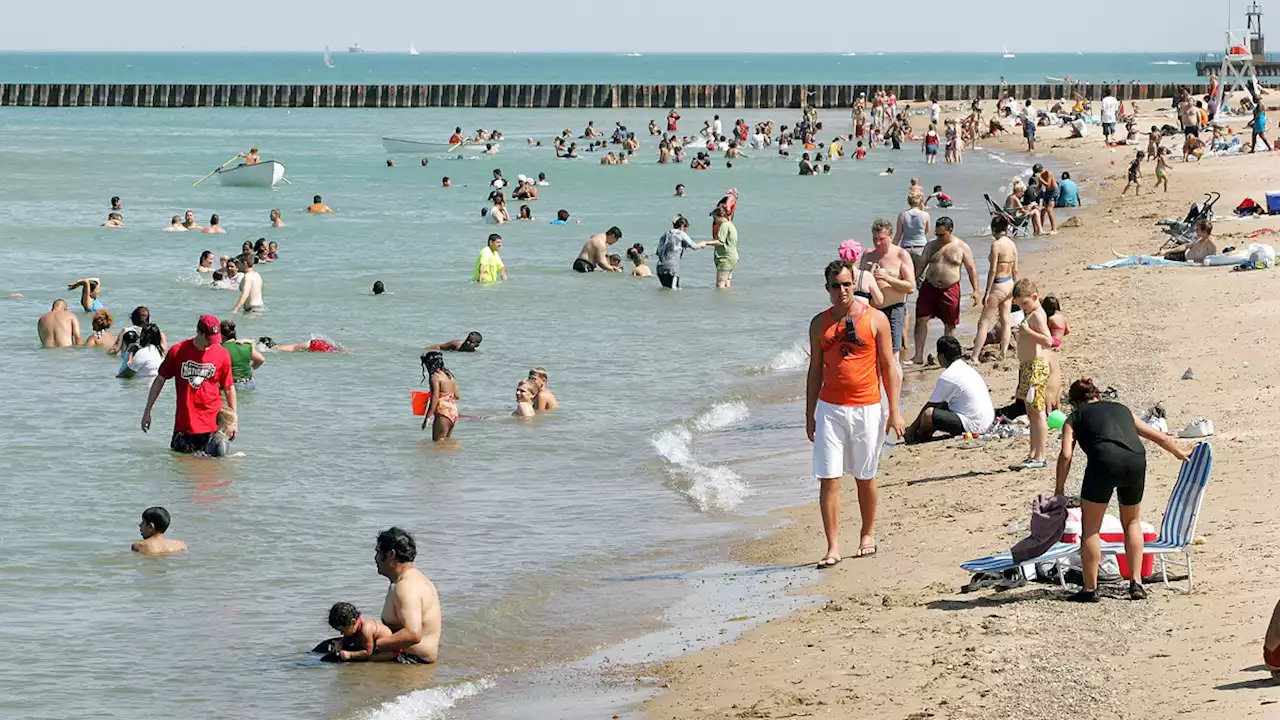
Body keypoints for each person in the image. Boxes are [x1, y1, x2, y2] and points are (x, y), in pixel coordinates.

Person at [1056, 378, 1193, 602]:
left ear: (1074, 403)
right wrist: (1179, 452)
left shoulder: (1074, 418)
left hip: (1103, 463)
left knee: (1090, 528)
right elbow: (1157, 436)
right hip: (1135, 460)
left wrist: (1059, 489)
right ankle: (1136, 583)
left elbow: (1066, 455)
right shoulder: (1122, 409)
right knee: (1131, 522)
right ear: (1098, 395)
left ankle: (1090, 589)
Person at [806, 260, 905, 568]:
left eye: (847, 284)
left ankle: (867, 534)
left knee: (865, 476)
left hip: (867, 407)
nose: (842, 291)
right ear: (827, 289)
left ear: (854, 285)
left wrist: (895, 412)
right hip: (830, 409)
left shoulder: (875, 320)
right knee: (829, 478)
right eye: (835, 286)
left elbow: (889, 366)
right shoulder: (819, 323)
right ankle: (833, 546)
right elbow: (814, 370)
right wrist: (809, 414)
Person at [141, 315, 236, 454]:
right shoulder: (178, 351)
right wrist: (147, 411)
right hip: (185, 425)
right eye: (208, 338)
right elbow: (160, 380)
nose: (212, 343)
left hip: (213, 425)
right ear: (199, 332)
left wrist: (233, 422)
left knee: (211, 471)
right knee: (182, 468)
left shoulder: (222, 354)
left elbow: (229, 388)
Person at [911, 218, 979, 366]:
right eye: (937, 234)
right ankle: (918, 356)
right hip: (929, 286)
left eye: (942, 235)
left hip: (950, 289)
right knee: (921, 320)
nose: (939, 238)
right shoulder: (931, 246)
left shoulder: (961, 247)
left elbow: (971, 269)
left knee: (950, 324)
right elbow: (921, 265)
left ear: (950, 231)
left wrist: (976, 290)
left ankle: (947, 358)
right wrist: (911, 282)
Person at [905, 336, 995, 443]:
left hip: (974, 426)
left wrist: (912, 428)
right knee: (942, 405)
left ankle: (919, 437)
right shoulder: (966, 368)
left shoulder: (949, 375)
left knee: (928, 414)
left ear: (941, 357)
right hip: (988, 421)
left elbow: (930, 405)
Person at [371, 527, 441, 663]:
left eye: (378, 552)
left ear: (391, 555)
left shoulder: (405, 587)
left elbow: (413, 634)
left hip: (412, 662)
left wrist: (372, 646)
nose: (375, 558)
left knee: (335, 659)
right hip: (409, 659)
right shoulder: (413, 579)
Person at [1009, 279, 1054, 470]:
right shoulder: (1030, 314)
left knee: (1037, 411)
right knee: (1031, 412)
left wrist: (1027, 330)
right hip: (1028, 365)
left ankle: (1040, 456)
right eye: (1019, 304)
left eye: (1024, 303)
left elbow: (1048, 341)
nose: (1022, 307)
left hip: (1037, 366)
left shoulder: (1037, 315)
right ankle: (1033, 454)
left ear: (1034, 297)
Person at [860, 219, 916, 357]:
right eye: (875, 239)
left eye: (882, 239)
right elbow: (859, 285)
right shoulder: (868, 255)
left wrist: (887, 278)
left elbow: (911, 287)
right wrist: (867, 275)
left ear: (891, 237)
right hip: (872, 310)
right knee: (872, 353)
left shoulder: (900, 254)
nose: (878, 243)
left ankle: (895, 378)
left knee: (892, 354)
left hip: (894, 308)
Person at [970, 215, 1019, 363]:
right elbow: (1015, 269)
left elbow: (992, 270)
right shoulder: (1012, 244)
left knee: (983, 322)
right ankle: (1003, 354)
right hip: (1009, 283)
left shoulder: (996, 245)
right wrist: (1016, 287)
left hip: (998, 284)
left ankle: (974, 356)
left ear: (993, 229)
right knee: (1006, 321)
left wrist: (986, 292)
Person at [326, 602, 395, 662]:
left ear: (353, 622)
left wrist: (350, 655)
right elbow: (347, 638)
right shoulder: (353, 627)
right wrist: (340, 643)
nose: (341, 633)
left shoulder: (365, 630)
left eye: (342, 631)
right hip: (372, 646)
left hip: (389, 651)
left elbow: (368, 652)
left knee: (367, 659)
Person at [654, 216, 705, 289]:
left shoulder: (665, 234)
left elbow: (658, 252)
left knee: (666, 290)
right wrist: (703, 243)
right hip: (672, 268)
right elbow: (694, 246)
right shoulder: (680, 233)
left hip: (660, 267)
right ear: (682, 226)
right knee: (674, 291)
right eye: (686, 228)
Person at [420, 351, 459, 441]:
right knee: (446, 442)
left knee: (438, 443)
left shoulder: (435, 377)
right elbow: (457, 395)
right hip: (453, 411)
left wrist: (427, 418)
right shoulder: (449, 375)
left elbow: (435, 398)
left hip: (443, 412)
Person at [220, 319, 265, 391]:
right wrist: (251, 367)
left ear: (222, 336)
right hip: (250, 382)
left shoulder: (221, 348)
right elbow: (261, 359)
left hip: (233, 384)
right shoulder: (245, 345)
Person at [894, 189, 930, 275]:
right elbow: (926, 231)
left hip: (906, 248)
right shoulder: (925, 215)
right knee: (921, 276)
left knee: (906, 276)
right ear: (921, 201)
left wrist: (891, 248)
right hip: (920, 248)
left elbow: (898, 235)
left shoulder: (902, 215)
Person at [703, 207, 739, 288]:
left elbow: (720, 242)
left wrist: (705, 243)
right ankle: (726, 300)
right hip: (732, 258)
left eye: (715, 218)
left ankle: (720, 300)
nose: (714, 221)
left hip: (725, 258)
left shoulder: (724, 225)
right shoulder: (731, 225)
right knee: (727, 282)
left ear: (720, 216)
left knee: (720, 284)